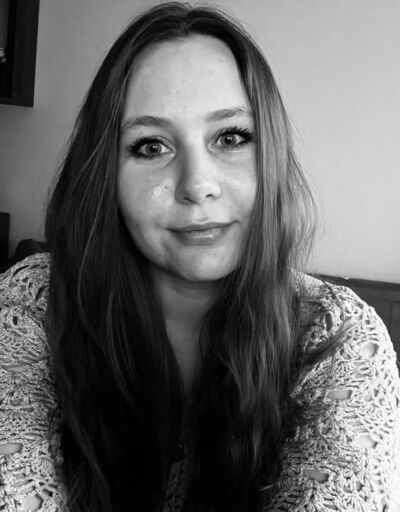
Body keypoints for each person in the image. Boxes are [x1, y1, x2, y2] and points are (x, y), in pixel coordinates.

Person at [0, 2, 399, 511]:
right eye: (151, 147)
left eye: (231, 138)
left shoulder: (339, 338)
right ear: (105, 173)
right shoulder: (31, 304)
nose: (197, 185)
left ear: (271, 153)